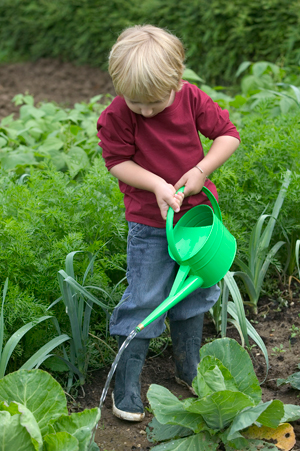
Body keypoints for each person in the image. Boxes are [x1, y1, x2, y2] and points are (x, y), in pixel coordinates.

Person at [97, 24, 240, 422]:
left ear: (177, 81)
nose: (144, 111)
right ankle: (126, 385)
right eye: (135, 102)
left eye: (154, 103)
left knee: (196, 291)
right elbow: (117, 163)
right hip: (150, 224)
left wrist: (201, 168)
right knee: (145, 297)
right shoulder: (118, 114)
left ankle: (188, 367)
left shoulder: (191, 98)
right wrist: (157, 184)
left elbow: (228, 135)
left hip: (195, 221)